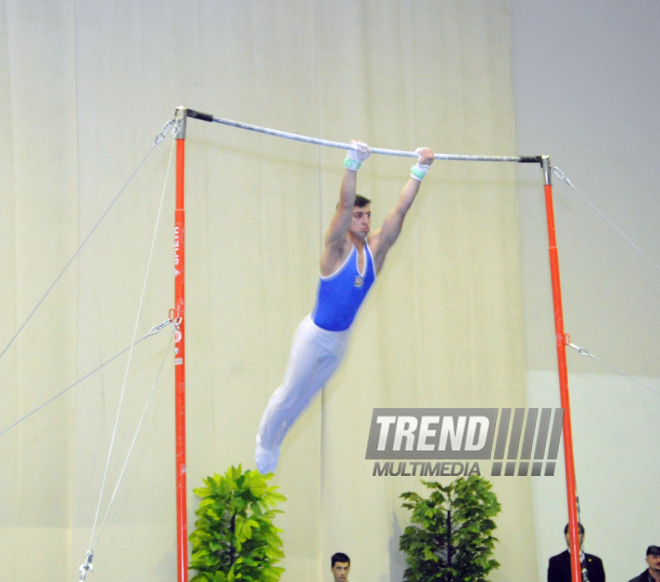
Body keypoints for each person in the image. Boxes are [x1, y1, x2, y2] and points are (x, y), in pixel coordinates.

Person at [255, 140, 435, 474]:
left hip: (340, 342)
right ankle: (265, 443)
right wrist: (352, 163)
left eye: (368, 215)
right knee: (288, 395)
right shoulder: (336, 250)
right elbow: (343, 205)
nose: (365, 220)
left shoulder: (376, 250)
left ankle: (276, 441)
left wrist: (420, 169)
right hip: (313, 337)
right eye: (358, 216)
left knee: (304, 401)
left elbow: (400, 210)